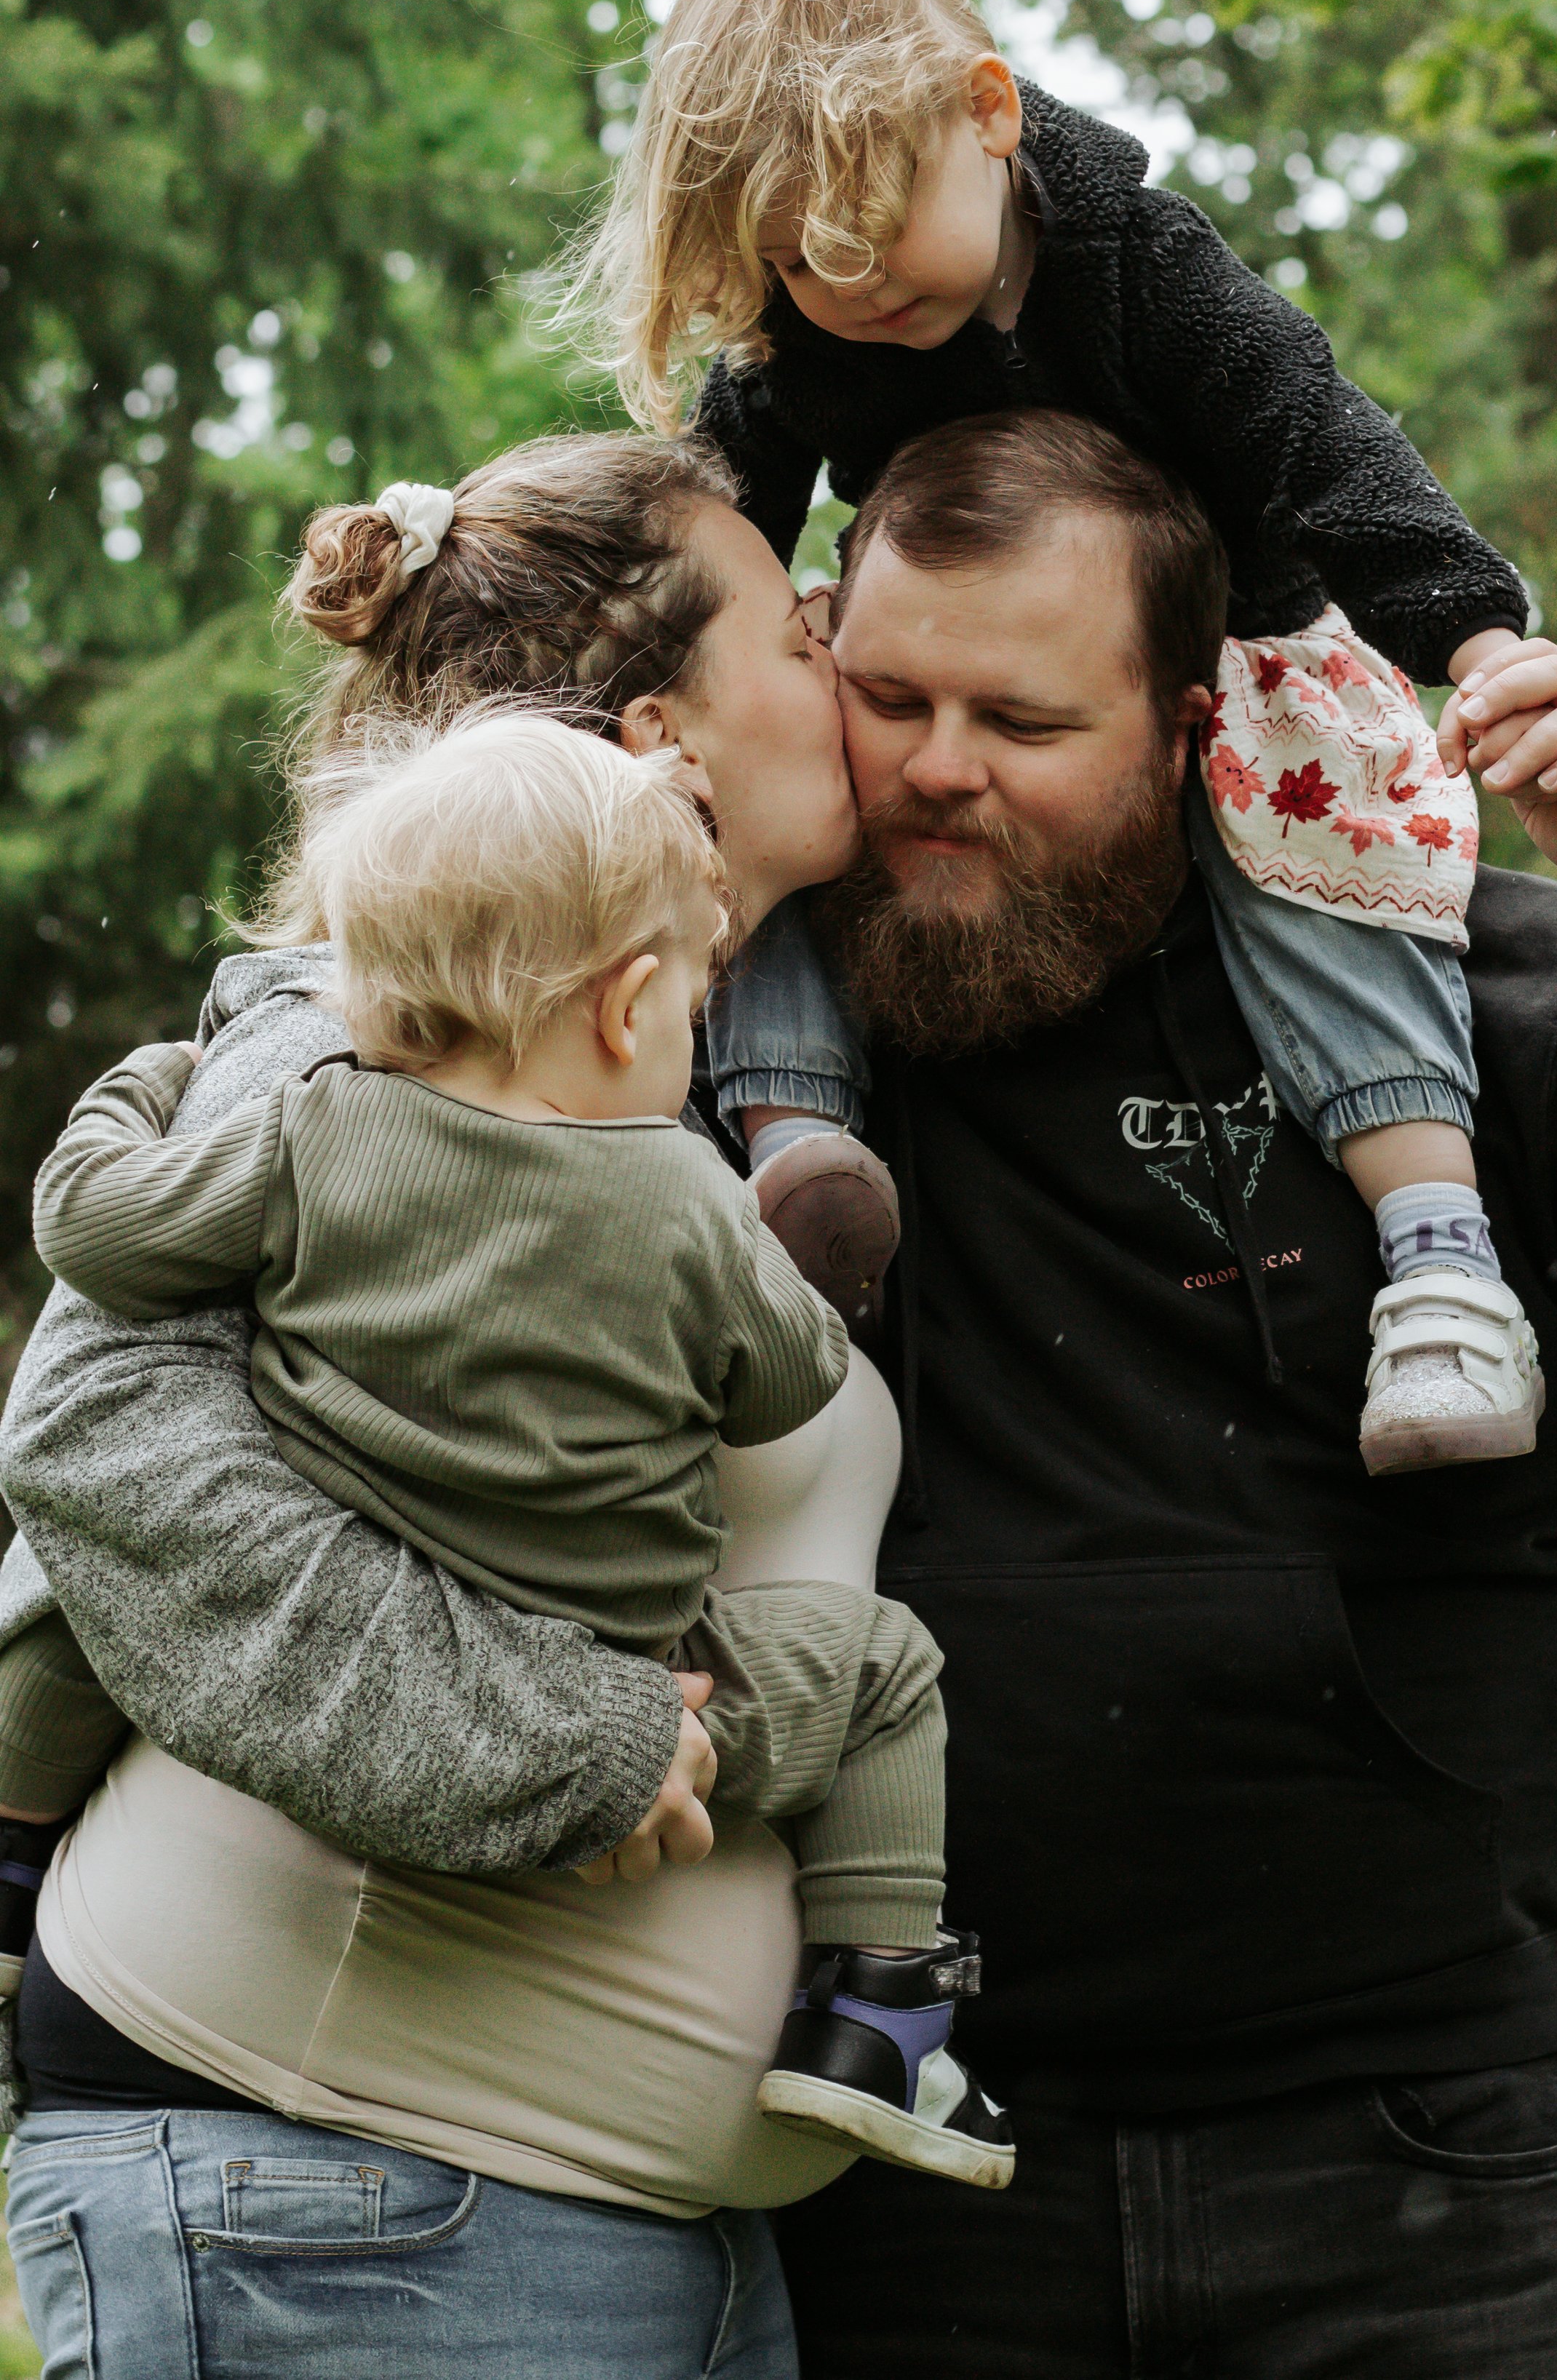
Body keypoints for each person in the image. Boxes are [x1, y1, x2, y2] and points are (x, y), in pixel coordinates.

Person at [750, 407, 1557, 2378]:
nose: (932, 768)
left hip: (1415, 2117)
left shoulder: (1457, 968)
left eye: (1020, 719)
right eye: (884, 693)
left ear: (1187, 721)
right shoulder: (751, 1031)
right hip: (904, 2111)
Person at [0, 427, 930, 2379]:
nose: (833, 655)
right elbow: (102, 1445)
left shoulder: (682, 1067)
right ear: (666, 734)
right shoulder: (363, 1034)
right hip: (334, 2180)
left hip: (542, 2213)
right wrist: (549, 1733)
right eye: (790, 623)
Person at [569, 0, 1541, 1476]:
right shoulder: (804, 334)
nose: (856, 299)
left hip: (1223, 658)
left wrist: (1469, 634)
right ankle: (795, 1156)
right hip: (945, 655)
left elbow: (1317, 437)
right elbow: (711, 538)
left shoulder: (1138, 267)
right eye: (803, 273)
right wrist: (628, 699)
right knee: (793, 800)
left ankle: (1435, 1259)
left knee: (1322, 886)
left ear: (989, 113)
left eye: (876, 240)